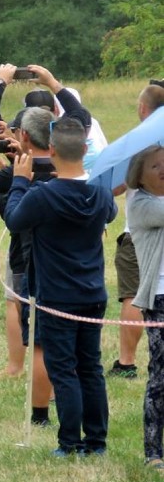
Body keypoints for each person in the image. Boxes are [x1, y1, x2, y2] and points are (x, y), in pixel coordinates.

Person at [4, 117, 117, 457]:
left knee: (64, 369)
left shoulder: (43, 196)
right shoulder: (99, 193)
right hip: (92, 294)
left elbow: (14, 220)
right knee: (91, 367)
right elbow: (109, 214)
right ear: (85, 150)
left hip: (57, 298)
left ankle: (70, 442)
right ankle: (96, 442)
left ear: (51, 150)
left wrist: (20, 182)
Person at [0, 103, 57, 423]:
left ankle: (40, 410)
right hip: (69, 262)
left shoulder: (21, 169)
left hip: (30, 256)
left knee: (40, 337)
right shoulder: (67, 165)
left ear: (25, 136)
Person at [109, 84, 164, 379]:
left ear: (143, 108)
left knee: (133, 294)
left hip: (138, 233)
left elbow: (116, 186)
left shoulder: (139, 144)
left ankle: (127, 361)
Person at [125, 147, 164, 471]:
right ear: (139, 174)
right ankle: (154, 452)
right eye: (155, 166)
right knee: (160, 379)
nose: (162, 170)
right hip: (160, 300)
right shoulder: (141, 204)